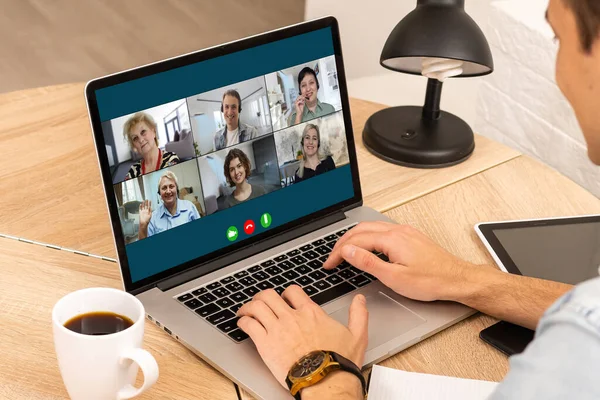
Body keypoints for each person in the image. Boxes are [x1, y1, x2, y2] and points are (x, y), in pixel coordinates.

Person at [236, 0, 600, 398]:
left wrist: (322, 373)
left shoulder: (575, 351)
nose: (557, 69)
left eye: (558, 37)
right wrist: (465, 280)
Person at [138, 171, 199, 239]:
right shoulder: (153, 218)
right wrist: (143, 226)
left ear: (177, 189)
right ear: (159, 193)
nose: (168, 191)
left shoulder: (190, 207)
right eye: (164, 188)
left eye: (171, 186)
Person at [123, 112, 179, 180]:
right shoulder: (132, 171)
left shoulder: (171, 158)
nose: (141, 140)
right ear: (134, 146)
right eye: (135, 138)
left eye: (143, 132)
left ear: (154, 132)